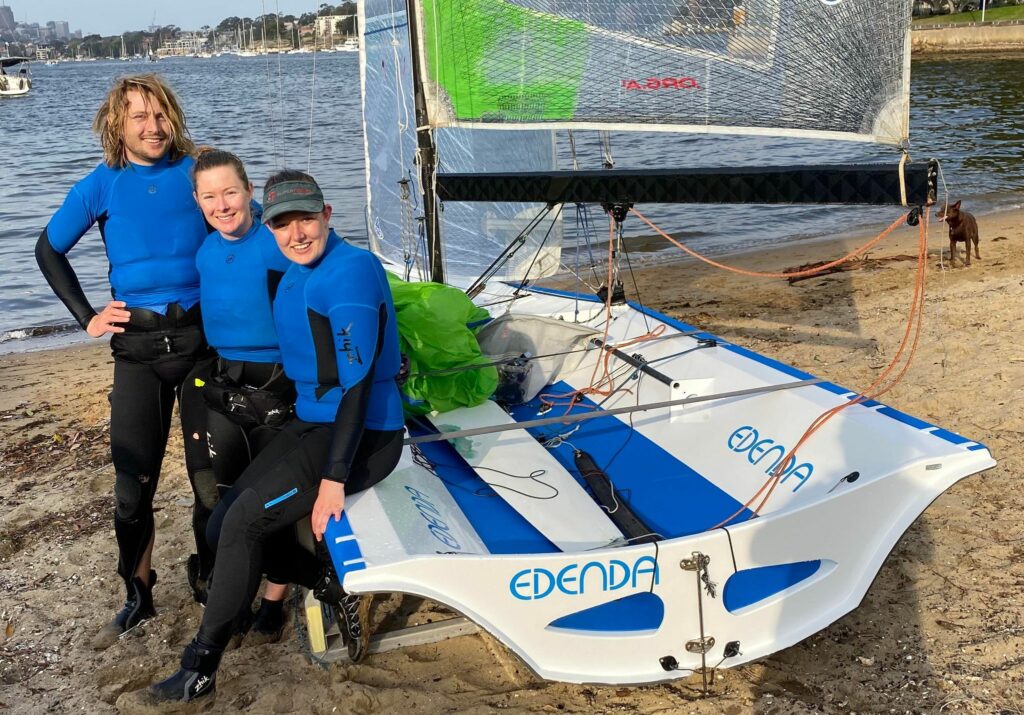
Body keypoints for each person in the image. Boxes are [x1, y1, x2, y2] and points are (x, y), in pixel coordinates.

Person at [150, 170, 405, 703]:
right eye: (284, 223)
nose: (297, 233)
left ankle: (201, 666)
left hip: (361, 433)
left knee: (243, 525)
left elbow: (356, 387)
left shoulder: (350, 271)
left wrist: (334, 480)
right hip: (312, 423)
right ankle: (322, 577)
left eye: (306, 219)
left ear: (328, 215)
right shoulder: (291, 270)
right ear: (270, 228)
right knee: (224, 522)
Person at [35, 74, 218, 649]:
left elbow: (250, 225)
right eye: (138, 117)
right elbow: (48, 248)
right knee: (131, 488)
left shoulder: (199, 170)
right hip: (136, 351)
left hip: (198, 343)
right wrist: (85, 316)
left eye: (160, 114)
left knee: (209, 481)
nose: (153, 127)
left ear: (174, 117)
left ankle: (210, 575)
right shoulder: (101, 184)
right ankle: (137, 592)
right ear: (117, 125)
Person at [190, 148, 296, 639]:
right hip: (227, 388)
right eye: (209, 196)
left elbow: (327, 270)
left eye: (231, 192)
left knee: (273, 503)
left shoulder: (276, 240)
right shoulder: (206, 250)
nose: (222, 204)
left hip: (279, 383)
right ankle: (238, 596)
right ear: (197, 201)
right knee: (228, 501)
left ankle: (274, 602)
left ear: (250, 192)